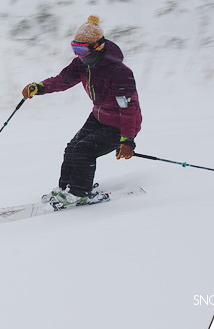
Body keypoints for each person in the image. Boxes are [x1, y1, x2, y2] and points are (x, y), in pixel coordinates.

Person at [21, 15, 142, 207]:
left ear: (97, 47)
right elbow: (62, 81)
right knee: (71, 148)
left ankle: (80, 193)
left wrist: (127, 140)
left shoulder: (119, 72)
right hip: (99, 115)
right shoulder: (82, 64)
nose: (78, 54)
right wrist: (40, 87)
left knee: (83, 151)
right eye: (74, 48)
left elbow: (128, 108)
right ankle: (65, 189)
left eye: (81, 49)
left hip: (121, 123)